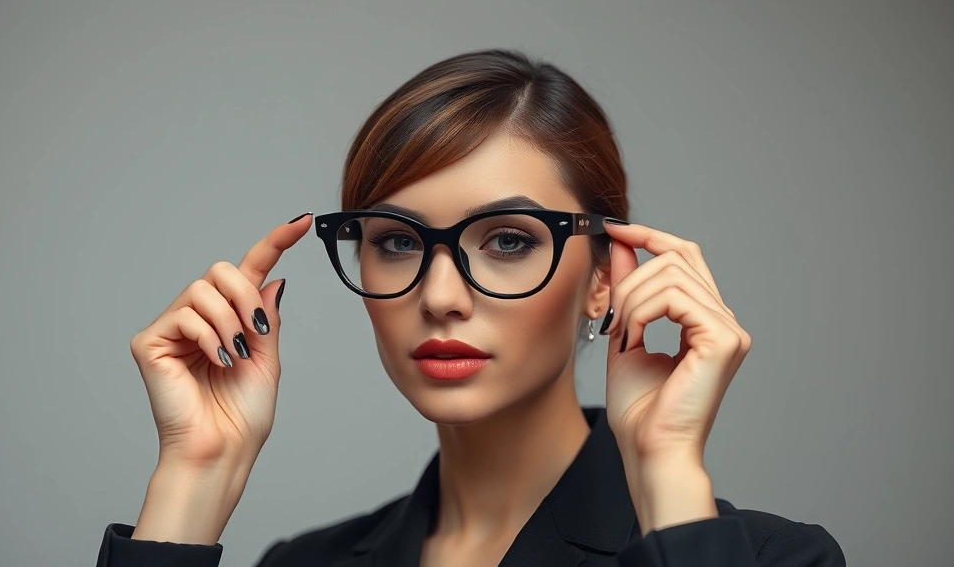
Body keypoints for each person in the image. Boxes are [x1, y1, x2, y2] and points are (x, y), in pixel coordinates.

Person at [94, 49, 845, 566]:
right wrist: (196, 474)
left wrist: (667, 471)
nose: (441, 297)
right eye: (395, 242)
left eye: (510, 241)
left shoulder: (772, 558)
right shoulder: (304, 562)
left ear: (604, 276)